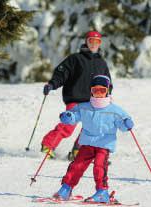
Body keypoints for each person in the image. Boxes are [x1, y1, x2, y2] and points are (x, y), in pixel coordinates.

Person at [52, 75, 134, 203]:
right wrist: (68, 117)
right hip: (87, 143)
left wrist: (127, 123)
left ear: (108, 91)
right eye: (96, 91)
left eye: (102, 91)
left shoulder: (114, 110)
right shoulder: (84, 107)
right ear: (91, 91)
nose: (99, 94)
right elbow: (74, 115)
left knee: (99, 167)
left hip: (104, 144)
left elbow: (123, 124)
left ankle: (102, 192)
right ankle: (66, 188)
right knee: (77, 166)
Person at [41, 30, 112, 160]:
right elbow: (61, 74)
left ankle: (78, 151)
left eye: (97, 42)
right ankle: (48, 146)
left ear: (100, 44)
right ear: (86, 41)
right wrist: (52, 84)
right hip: (75, 98)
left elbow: (107, 81)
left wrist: (107, 95)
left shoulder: (101, 63)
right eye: (91, 41)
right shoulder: (75, 59)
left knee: (90, 129)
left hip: (93, 101)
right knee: (68, 126)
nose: (94, 44)